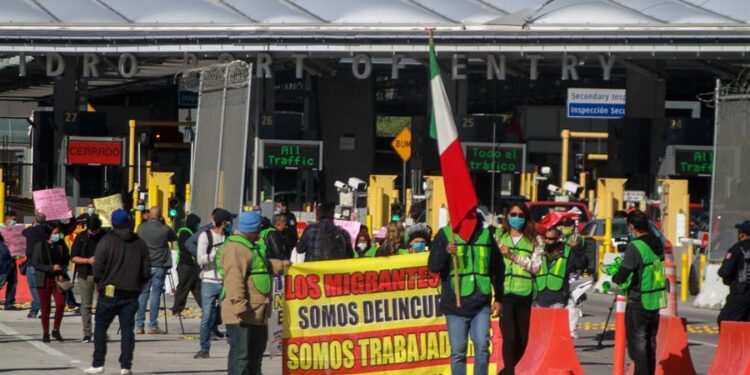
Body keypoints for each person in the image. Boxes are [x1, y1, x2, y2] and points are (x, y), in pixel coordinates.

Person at [428, 214, 504, 375]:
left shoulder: (486, 235)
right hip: (455, 305)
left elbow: (497, 268)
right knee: (458, 352)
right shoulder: (445, 234)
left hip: (481, 304)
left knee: (483, 347)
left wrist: (499, 298)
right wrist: (446, 252)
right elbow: (433, 266)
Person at [220, 211, 289, 375]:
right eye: (257, 230)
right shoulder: (235, 248)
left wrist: (282, 265)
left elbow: (262, 267)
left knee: (255, 358)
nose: (259, 233)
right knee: (241, 357)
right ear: (250, 229)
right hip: (242, 314)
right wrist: (240, 306)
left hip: (257, 313)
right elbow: (234, 279)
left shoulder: (252, 247)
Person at [84, 209, 150, 375]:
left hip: (109, 292)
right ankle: (126, 366)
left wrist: (100, 284)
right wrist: (139, 287)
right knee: (127, 330)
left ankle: (98, 363)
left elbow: (98, 269)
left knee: (100, 327)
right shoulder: (140, 243)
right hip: (132, 292)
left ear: (113, 224)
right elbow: (147, 272)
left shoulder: (106, 241)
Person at [608, 210, 667, 375]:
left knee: (637, 345)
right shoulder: (658, 243)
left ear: (632, 226)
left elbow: (623, 273)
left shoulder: (636, 246)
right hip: (655, 299)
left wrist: (615, 278)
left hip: (638, 300)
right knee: (650, 341)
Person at [496, 202, 544, 374]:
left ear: (526, 218)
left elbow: (536, 267)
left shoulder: (535, 240)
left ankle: (505, 372)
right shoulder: (498, 236)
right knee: (510, 338)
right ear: (507, 216)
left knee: (522, 342)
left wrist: (512, 255)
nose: (516, 218)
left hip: (524, 293)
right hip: (504, 293)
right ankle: (509, 372)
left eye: (520, 215)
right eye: (513, 214)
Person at [194, 208, 232, 359]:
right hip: (209, 280)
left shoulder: (229, 237)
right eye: (228, 221)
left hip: (225, 281)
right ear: (223, 222)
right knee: (207, 316)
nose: (230, 224)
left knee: (229, 315)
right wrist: (216, 255)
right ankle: (204, 348)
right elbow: (200, 259)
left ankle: (232, 346)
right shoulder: (205, 236)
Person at [136, 206, 177, 334]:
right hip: (160, 264)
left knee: (143, 294)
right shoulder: (165, 229)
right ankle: (153, 325)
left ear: (149, 215)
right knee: (156, 295)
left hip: (145, 264)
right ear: (160, 216)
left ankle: (139, 325)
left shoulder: (141, 228)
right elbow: (174, 237)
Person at [31, 223, 70, 343]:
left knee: (61, 304)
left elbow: (65, 260)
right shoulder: (40, 246)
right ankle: (46, 332)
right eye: (55, 233)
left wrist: (61, 271)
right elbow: (35, 263)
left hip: (58, 280)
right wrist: (51, 268)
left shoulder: (61, 245)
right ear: (48, 234)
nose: (58, 235)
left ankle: (56, 329)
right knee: (45, 307)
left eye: (58, 233)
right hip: (44, 279)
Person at [71, 215, 107, 342]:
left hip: (102, 275)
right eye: (91, 230)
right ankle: (87, 332)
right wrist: (87, 260)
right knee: (86, 304)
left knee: (103, 304)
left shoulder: (105, 236)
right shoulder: (81, 237)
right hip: (85, 274)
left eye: (96, 230)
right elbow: (73, 257)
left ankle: (101, 331)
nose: (94, 233)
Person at [717, 220, 750, 324]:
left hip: (741, 293)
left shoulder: (736, 249)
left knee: (725, 321)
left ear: (742, 235)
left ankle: (730, 340)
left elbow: (724, 272)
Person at [172, 213, 203, 315]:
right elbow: (187, 248)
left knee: (196, 287)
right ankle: (177, 309)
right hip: (186, 264)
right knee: (184, 287)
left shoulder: (190, 232)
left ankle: (206, 307)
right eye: (197, 224)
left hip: (191, 265)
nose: (198, 226)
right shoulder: (185, 233)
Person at [22, 212, 47, 318]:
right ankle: (41, 308)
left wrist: (33, 225)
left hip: (32, 263)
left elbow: (24, 232)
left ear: (35, 221)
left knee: (33, 287)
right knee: (41, 287)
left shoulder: (31, 231)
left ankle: (36, 309)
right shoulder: (46, 231)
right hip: (43, 264)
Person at [1, 211, 18, 310]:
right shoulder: (1, 228)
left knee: (13, 281)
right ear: (7, 219)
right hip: (3, 260)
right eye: (13, 219)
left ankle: (9, 303)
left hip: (13, 259)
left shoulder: (15, 230)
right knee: (1, 281)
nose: (15, 222)